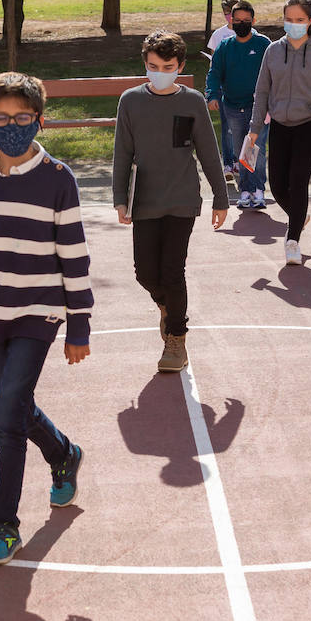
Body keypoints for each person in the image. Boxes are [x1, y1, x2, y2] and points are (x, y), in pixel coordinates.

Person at [0, 72, 93, 566]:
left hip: (41, 312)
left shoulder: (57, 177)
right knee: (17, 407)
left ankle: (3, 524)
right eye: (2, 118)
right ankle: (63, 454)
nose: (11, 126)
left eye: (22, 118)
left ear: (39, 121)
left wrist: (79, 324)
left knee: (6, 418)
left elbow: (74, 256)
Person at [113, 31, 229, 374]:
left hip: (182, 200)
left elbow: (209, 152)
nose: (159, 72)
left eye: (167, 66)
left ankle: (176, 338)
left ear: (180, 66)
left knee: (172, 271)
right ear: (144, 64)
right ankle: (167, 306)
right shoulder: (130, 101)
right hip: (144, 201)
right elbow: (122, 153)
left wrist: (221, 198)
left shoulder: (191, 101)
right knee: (145, 273)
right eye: (152, 66)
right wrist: (120, 198)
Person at [246, 0, 311, 267]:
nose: (294, 24)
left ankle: (292, 241)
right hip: (280, 124)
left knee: (298, 179)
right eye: (289, 20)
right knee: (278, 185)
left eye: (299, 20)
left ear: (310, 21)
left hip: (310, 125)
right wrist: (254, 129)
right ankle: (299, 216)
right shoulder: (272, 51)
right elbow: (262, 91)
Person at [205, 0, 272, 210]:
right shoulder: (225, 46)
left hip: (258, 107)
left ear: (253, 21)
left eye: (246, 20)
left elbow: (275, 72)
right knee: (240, 150)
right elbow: (214, 73)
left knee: (256, 149)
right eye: (237, 20)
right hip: (232, 107)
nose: (242, 23)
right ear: (231, 22)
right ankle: (245, 190)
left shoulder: (263, 44)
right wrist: (212, 95)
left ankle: (258, 190)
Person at [205, 0, 247, 178]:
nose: (230, 16)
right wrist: (212, 92)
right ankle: (228, 163)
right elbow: (213, 65)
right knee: (227, 126)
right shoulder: (219, 35)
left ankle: (242, 161)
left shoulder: (250, 33)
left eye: (233, 11)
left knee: (245, 126)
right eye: (226, 12)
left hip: (245, 89)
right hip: (224, 88)